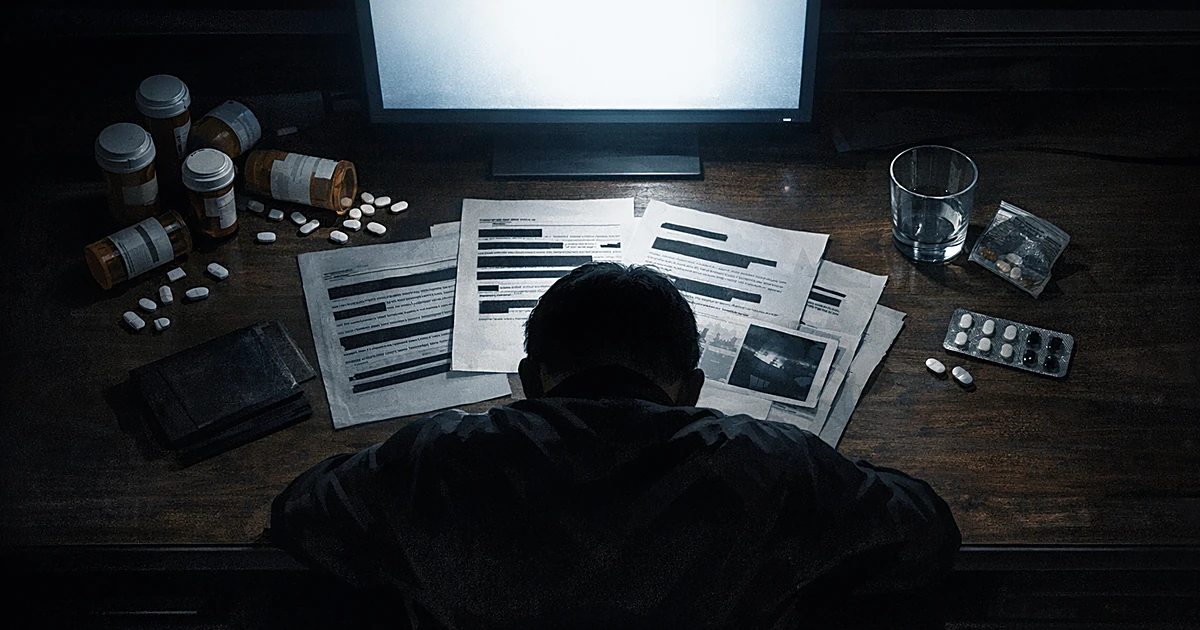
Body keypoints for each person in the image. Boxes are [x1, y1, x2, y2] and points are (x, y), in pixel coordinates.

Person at [271, 262, 961, 629]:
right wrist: (829, 473)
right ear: (690, 389)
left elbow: (300, 514)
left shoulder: (440, 456)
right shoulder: (772, 464)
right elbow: (927, 531)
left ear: (528, 381)